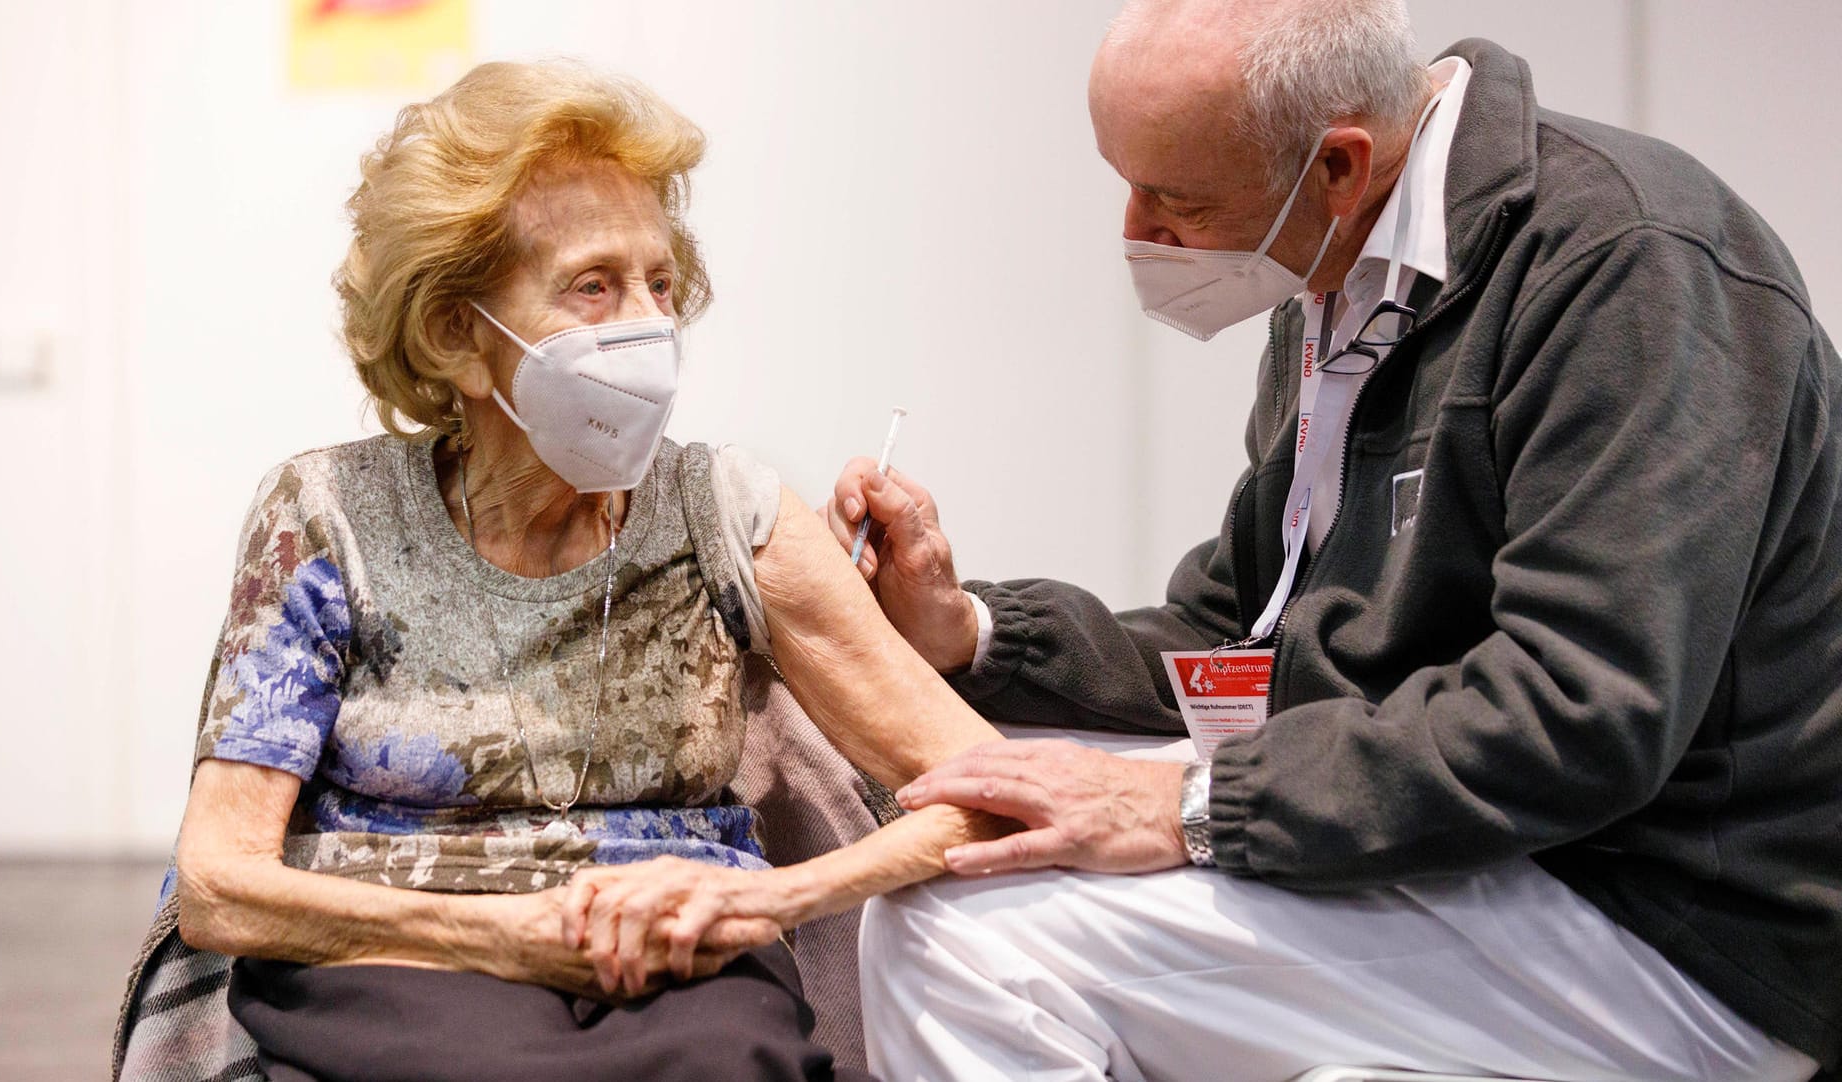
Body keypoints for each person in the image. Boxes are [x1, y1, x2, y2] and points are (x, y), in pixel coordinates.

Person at [831, 1, 1841, 1080]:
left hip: (1672, 924)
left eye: (1175, 198)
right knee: (983, 809)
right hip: (1485, 858)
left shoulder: (1631, 265)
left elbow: (1582, 713)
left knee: (959, 936)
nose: (1136, 231)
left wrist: (1190, 806)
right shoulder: (1340, 271)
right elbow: (1249, 637)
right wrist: (975, 632)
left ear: (1339, 169)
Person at [162, 59, 1013, 1082]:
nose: (645, 326)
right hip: (400, 957)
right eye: (593, 286)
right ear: (456, 336)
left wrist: (768, 899)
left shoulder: (724, 513)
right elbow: (220, 880)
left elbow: (991, 790)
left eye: (660, 283)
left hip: (686, 963)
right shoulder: (329, 514)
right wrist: (506, 934)